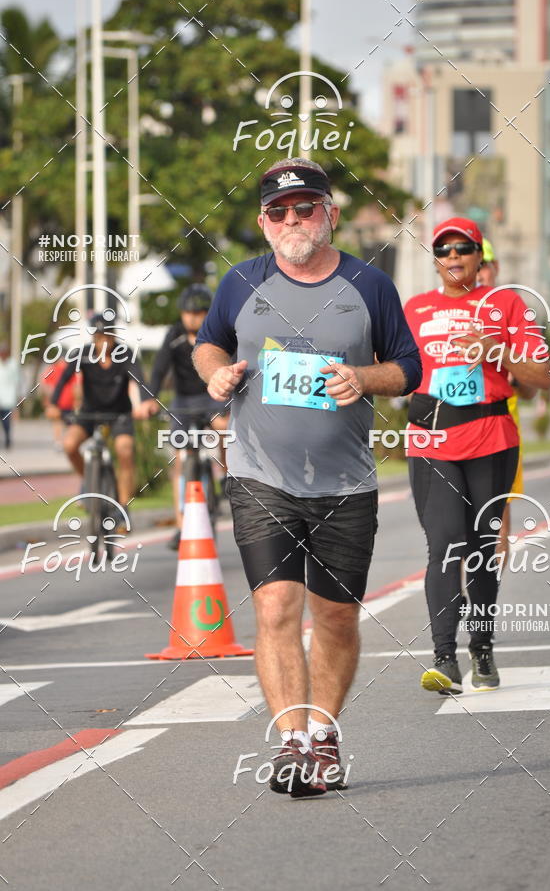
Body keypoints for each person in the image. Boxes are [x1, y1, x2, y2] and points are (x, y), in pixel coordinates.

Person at [193, 157, 421, 796]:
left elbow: (408, 366)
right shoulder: (240, 282)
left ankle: (324, 732)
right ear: (263, 223)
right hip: (260, 473)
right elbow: (209, 342)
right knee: (275, 607)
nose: (292, 220)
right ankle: (292, 742)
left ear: (330, 214)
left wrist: (366, 378)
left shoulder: (370, 285)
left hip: (345, 481)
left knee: (337, 618)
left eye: (305, 207)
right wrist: (214, 371)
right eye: (278, 211)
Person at [403, 217, 550, 694]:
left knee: (483, 551)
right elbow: (394, 369)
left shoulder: (505, 303)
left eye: (462, 249)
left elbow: (543, 377)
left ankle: (481, 647)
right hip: (431, 441)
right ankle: (444, 659)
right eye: (443, 250)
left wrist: (498, 352)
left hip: (491, 437)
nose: (452, 258)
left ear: (478, 256)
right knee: (445, 544)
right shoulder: (416, 308)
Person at [137, 284, 229, 550]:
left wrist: (228, 399)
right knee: (180, 458)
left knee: (224, 425)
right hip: (183, 401)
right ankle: (180, 524)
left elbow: (231, 364)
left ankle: (225, 475)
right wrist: (148, 400)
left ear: (207, 313)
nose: (193, 318)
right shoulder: (174, 335)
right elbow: (158, 369)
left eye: (199, 312)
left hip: (212, 396)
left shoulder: (217, 334)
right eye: (188, 313)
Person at [45, 313, 149, 521]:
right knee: (69, 445)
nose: (104, 342)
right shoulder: (82, 354)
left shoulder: (125, 353)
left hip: (119, 413)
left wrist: (145, 402)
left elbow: (140, 379)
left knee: (124, 450)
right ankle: (91, 483)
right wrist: (54, 405)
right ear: (93, 337)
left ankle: (122, 506)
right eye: (99, 337)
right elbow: (64, 379)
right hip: (89, 413)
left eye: (108, 337)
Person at [478, 238, 537, 566]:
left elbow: (533, 383)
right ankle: (457, 600)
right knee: (458, 521)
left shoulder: (510, 309)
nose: (481, 272)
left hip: (502, 426)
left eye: (486, 264)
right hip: (457, 427)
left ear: (496, 267)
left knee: (498, 510)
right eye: (477, 264)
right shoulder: (452, 309)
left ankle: (488, 592)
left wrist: (518, 371)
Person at [41, 358, 80, 449]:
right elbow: (46, 385)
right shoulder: (66, 369)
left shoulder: (53, 369)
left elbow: (46, 385)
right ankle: (61, 441)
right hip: (63, 401)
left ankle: (60, 441)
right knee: (60, 422)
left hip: (64, 401)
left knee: (60, 422)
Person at [0, 342, 20, 449]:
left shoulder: (13, 364)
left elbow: (17, 381)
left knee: (6, 421)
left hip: (8, 398)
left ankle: (7, 438)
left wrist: (19, 396)